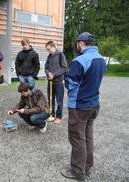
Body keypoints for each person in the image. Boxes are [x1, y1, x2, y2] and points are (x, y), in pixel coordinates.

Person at [60, 32, 106, 181]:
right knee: (87, 137)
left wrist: (64, 81)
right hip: (94, 104)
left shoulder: (79, 60)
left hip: (79, 106)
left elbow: (71, 84)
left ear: (81, 43)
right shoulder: (101, 59)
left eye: (77, 44)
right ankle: (87, 167)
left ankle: (77, 172)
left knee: (77, 139)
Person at [44, 41, 67, 123]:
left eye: (49, 49)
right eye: (47, 50)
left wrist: (54, 74)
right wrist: (48, 73)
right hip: (50, 82)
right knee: (50, 100)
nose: (48, 51)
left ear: (53, 47)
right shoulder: (49, 56)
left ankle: (59, 116)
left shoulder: (61, 55)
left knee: (59, 100)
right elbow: (46, 67)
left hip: (58, 82)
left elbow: (64, 68)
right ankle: (52, 115)